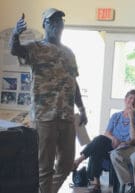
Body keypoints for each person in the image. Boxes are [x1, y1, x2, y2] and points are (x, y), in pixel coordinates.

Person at [9, 8, 88, 193]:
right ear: (44, 24)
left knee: (67, 163)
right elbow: (15, 50)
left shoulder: (69, 53)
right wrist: (15, 34)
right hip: (45, 116)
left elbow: (73, 82)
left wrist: (82, 108)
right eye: (52, 21)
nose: (57, 24)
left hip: (66, 116)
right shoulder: (35, 48)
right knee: (45, 168)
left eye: (60, 21)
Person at [73, 89, 135, 193]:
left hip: (126, 148)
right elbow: (107, 133)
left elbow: (134, 138)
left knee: (98, 144)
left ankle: (81, 163)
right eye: (130, 98)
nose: (132, 101)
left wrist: (131, 119)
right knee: (99, 141)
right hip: (111, 144)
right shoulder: (116, 116)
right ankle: (95, 181)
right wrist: (113, 138)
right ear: (125, 100)